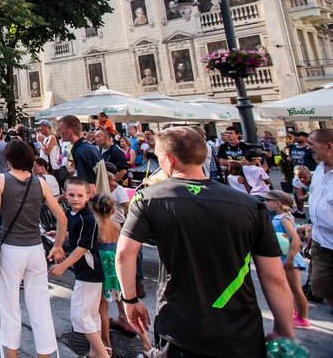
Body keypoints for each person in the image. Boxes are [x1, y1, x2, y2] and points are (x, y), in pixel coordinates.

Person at [116, 126, 294, 356]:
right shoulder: (250, 205)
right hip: (240, 327)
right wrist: (284, 327)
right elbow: (274, 277)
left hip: (180, 325)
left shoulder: (149, 199)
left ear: (169, 160)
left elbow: (124, 254)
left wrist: (129, 299)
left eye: (159, 158)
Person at [0, 139, 67, 357]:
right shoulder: (41, 183)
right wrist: (58, 246)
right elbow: (62, 218)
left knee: (10, 307)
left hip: (11, 250)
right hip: (36, 249)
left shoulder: (1, 180)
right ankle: (45, 354)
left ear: (8, 159)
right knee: (40, 307)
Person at [49, 177, 109, 358]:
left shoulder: (88, 218)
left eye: (80, 195)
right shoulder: (74, 214)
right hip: (86, 271)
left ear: (88, 196)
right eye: (71, 194)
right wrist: (63, 235)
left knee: (80, 315)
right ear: (65, 194)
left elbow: (84, 247)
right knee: (91, 313)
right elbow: (77, 236)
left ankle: (103, 355)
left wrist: (64, 265)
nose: (75, 198)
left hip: (89, 271)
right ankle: (95, 353)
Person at [89, 193, 152, 355]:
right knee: (125, 302)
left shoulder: (96, 228)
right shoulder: (117, 226)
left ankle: (107, 345)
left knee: (102, 308)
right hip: (117, 267)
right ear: (112, 211)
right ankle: (146, 343)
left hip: (103, 269)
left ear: (93, 210)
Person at [263, 190, 311, 329]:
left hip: (289, 259)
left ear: (278, 203)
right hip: (283, 257)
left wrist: (290, 258)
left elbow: (295, 240)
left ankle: (303, 318)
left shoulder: (283, 219)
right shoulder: (283, 216)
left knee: (295, 289)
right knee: (290, 288)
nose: (266, 203)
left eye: (268, 200)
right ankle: (296, 313)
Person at [306, 128, 333, 306]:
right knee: (320, 285)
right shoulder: (318, 170)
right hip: (320, 242)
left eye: (311, 144)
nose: (308, 148)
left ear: (329, 146)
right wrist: (310, 227)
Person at [57, 115, 101, 193]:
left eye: (60, 130)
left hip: (96, 200)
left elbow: (90, 187)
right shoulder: (86, 146)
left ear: (68, 132)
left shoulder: (82, 151)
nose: (58, 133)